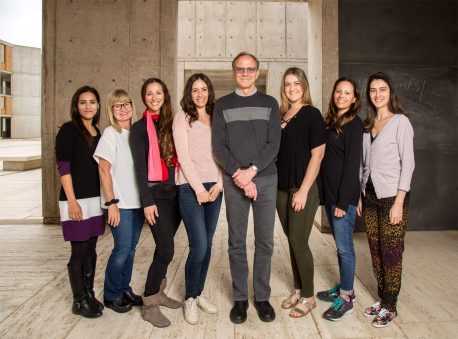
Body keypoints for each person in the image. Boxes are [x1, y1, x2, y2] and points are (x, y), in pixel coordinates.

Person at [212, 52, 281, 324]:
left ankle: (262, 297)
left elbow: (273, 145)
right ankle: (240, 299)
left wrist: (251, 172)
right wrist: (238, 176)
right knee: (236, 242)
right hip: (233, 180)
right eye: (239, 69)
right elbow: (219, 146)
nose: (244, 73)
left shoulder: (270, 103)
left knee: (265, 241)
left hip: (265, 178)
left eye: (249, 69)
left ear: (257, 72)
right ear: (233, 73)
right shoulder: (222, 105)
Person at [358, 72, 415, 328]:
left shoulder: (400, 122)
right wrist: (360, 195)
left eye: (382, 89)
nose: (377, 94)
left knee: (392, 254)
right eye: (373, 90)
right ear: (368, 94)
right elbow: (363, 165)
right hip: (369, 197)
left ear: (390, 92)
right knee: (376, 252)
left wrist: (399, 203)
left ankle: (391, 307)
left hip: (393, 196)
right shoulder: (367, 126)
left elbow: (409, 164)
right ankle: (383, 299)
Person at [130, 78, 182, 328]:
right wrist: (147, 201)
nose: (154, 97)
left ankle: (158, 290)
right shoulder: (140, 128)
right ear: (144, 97)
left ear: (164, 95)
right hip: (156, 195)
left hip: (176, 192)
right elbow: (139, 169)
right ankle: (149, 302)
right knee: (166, 249)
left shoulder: (173, 123)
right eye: (149, 93)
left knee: (165, 246)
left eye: (158, 92)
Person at [173, 73, 223, 324]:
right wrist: (198, 189)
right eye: (195, 90)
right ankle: (189, 298)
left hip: (215, 188)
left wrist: (220, 184)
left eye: (204, 89)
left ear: (209, 92)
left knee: (209, 243)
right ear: (189, 93)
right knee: (199, 245)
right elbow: (183, 156)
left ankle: (199, 291)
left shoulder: (217, 117)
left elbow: (225, 153)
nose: (200, 94)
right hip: (190, 188)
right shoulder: (182, 118)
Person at [276, 67, 325, 319]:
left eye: (296, 83)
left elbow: (318, 155)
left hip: (301, 187)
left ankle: (308, 297)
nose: (292, 88)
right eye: (287, 84)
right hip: (281, 188)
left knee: (298, 241)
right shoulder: (283, 115)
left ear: (304, 86)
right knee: (292, 240)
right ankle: (298, 288)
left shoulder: (312, 115)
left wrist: (304, 190)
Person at [55, 85, 105, 319]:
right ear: (76, 105)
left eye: (92, 102)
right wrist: (73, 202)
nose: (88, 106)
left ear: (97, 105)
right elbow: (63, 167)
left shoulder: (98, 131)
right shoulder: (68, 130)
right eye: (83, 102)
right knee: (79, 250)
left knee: (92, 249)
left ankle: (89, 294)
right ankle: (78, 301)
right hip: (75, 200)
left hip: (95, 199)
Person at [316, 77, 363, 321]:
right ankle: (344, 285)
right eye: (338, 91)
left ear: (355, 98)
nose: (342, 96)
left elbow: (352, 165)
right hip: (332, 196)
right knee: (340, 246)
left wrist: (344, 203)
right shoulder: (330, 121)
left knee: (345, 249)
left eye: (347, 93)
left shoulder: (354, 124)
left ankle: (346, 298)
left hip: (343, 198)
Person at [93, 89, 144, 314]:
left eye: (126, 104)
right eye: (117, 105)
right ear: (111, 111)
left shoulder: (136, 133)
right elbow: (103, 170)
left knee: (131, 249)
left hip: (137, 203)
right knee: (121, 249)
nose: (123, 109)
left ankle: (124, 288)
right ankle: (111, 294)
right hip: (120, 204)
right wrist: (111, 203)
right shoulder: (110, 134)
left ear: (132, 107)